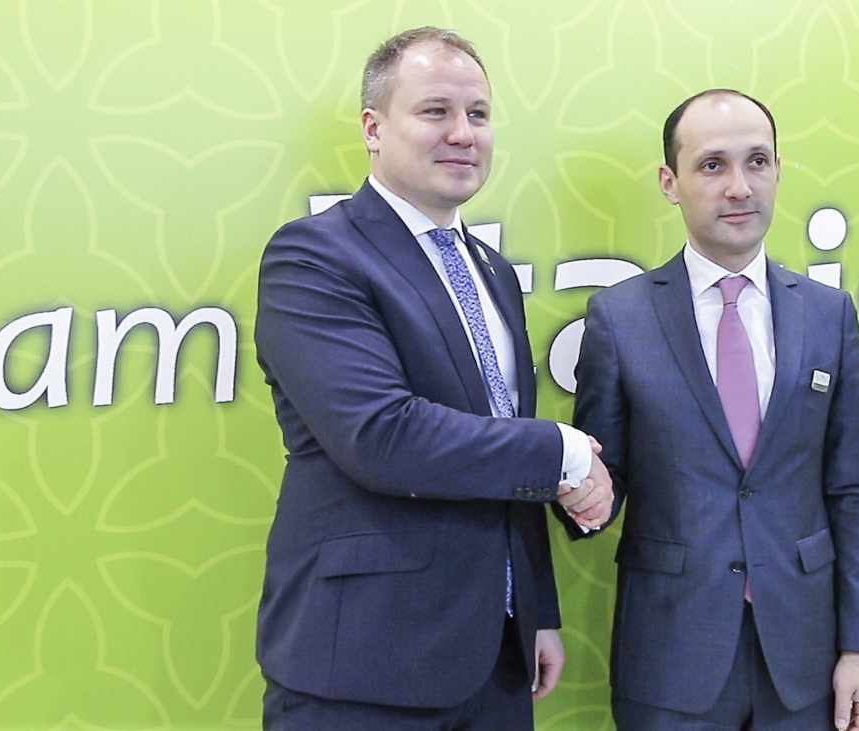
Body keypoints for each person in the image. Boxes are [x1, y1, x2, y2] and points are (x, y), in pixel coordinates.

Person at [254, 26, 612, 730]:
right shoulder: (315, 255)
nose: (462, 133)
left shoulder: (492, 271)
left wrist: (533, 608)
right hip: (362, 662)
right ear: (373, 128)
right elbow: (381, 435)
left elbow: (498, 442)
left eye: (478, 114)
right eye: (435, 111)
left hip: (495, 659)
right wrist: (565, 451)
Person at [568, 89, 859, 730]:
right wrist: (579, 492)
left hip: (804, 657)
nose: (739, 187)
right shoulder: (620, 318)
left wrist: (858, 648)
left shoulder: (828, 314)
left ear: (778, 171)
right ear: (671, 182)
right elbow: (603, 474)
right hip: (670, 655)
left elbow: (853, 489)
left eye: (757, 161)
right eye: (712, 165)